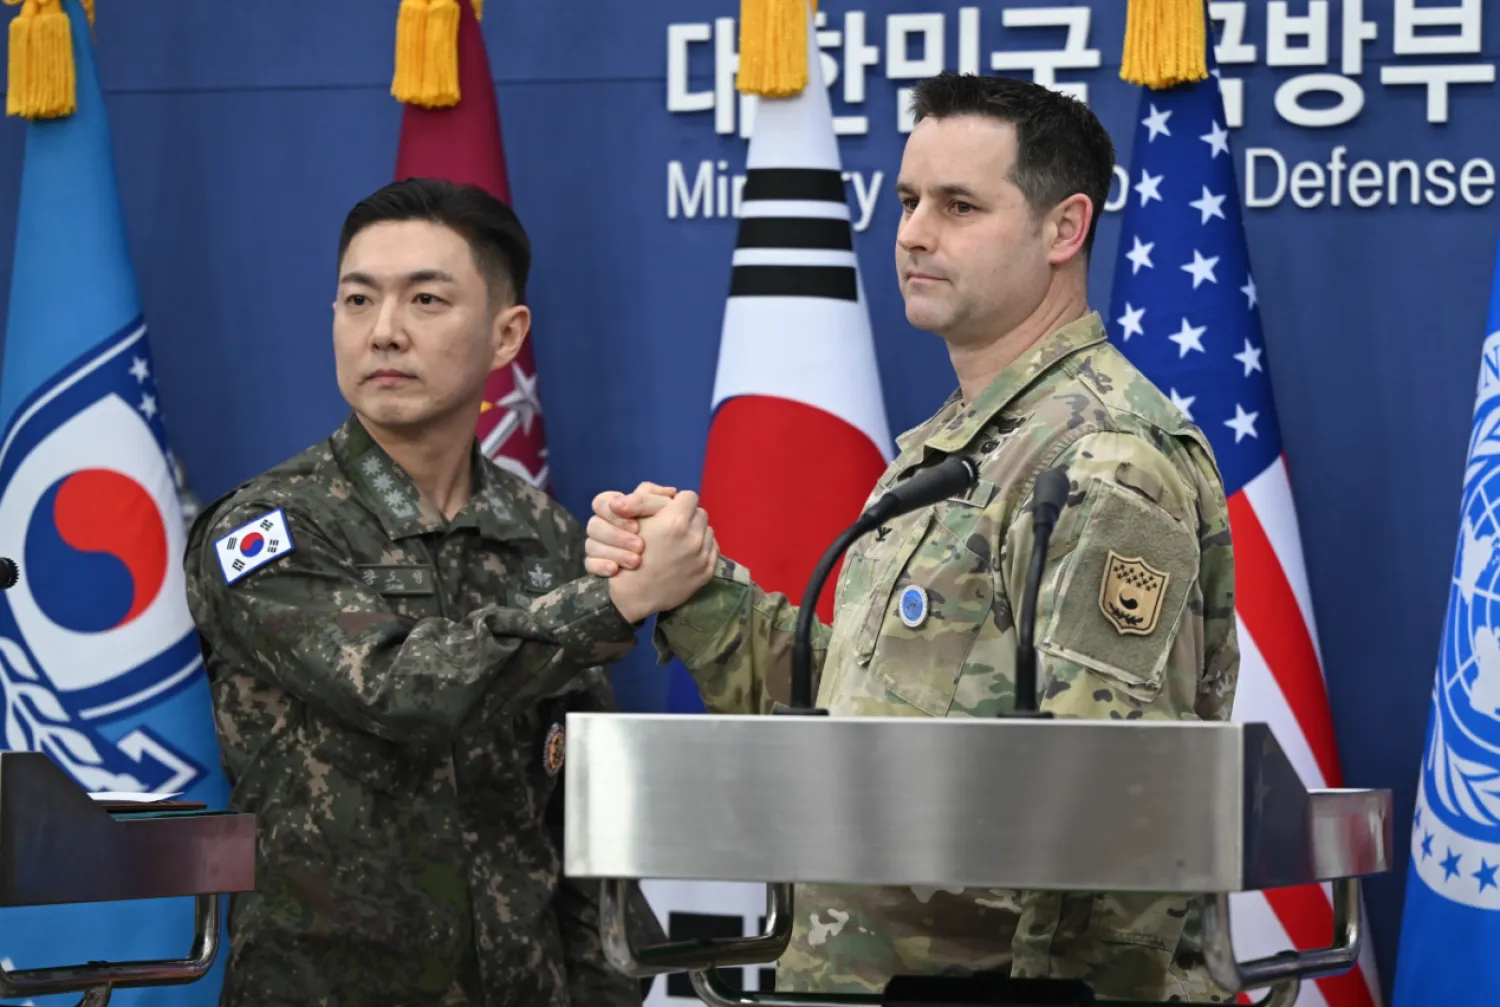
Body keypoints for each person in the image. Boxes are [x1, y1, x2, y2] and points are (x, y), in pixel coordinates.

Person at [583, 73, 1240, 1003]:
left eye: (959, 205)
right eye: (907, 200)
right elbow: (846, 715)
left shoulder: (1103, 461)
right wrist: (691, 591)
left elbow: (1107, 808)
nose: (913, 232)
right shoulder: (960, 443)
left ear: (1065, 228)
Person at [182, 178, 691, 1007]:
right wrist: (613, 603)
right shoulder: (268, 529)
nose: (384, 331)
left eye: (425, 298)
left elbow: (581, 805)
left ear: (505, 333)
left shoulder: (547, 535)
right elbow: (397, 684)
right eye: (357, 299)